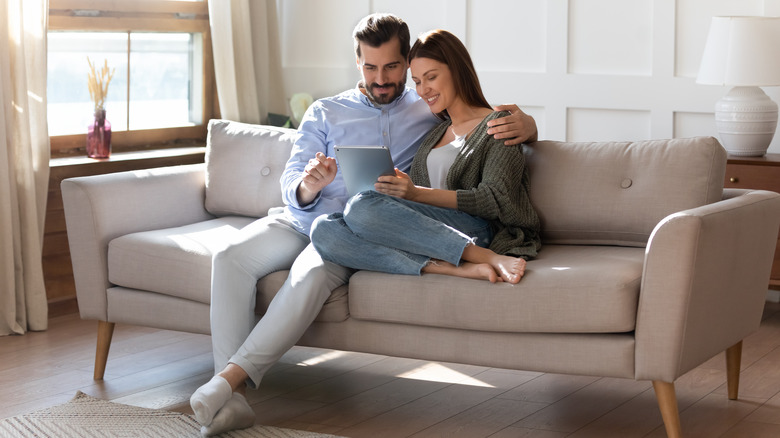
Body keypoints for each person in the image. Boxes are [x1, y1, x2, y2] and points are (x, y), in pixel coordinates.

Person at [189, 13, 538, 436]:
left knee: (311, 275)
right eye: (371, 67)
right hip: (305, 220)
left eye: (392, 67)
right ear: (358, 63)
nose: (382, 78)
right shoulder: (325, 111)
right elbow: (291, 182)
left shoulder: (427, 108)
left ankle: (226, 386)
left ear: (404, 63)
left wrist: (529, 124)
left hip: (361, 229)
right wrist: (309, 185)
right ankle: (232, 400)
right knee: (229, 257)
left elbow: (480, 131)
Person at [310, 29, 540, 285]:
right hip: (429, 230)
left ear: (457, 70)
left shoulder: (497, 124)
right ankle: (450, 267)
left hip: (479, 229)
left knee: (361, 206)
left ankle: (483, 255)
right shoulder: (436, 131)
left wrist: (415, 193)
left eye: (431, 77)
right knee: (324, 230)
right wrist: (397, 194)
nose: (423, 90)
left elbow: (495, 199)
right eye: (417, 81)